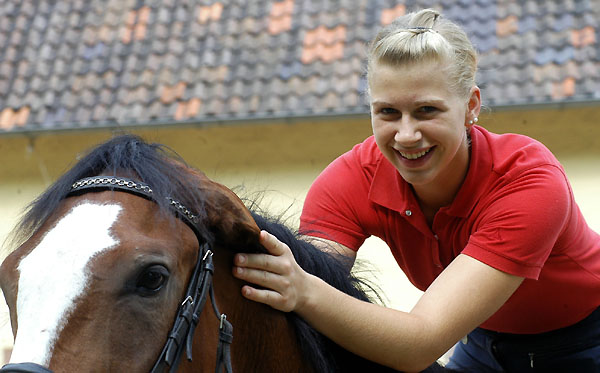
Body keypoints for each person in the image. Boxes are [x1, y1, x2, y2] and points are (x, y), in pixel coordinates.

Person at [232, 8, 600, 372]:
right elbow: (305, 281)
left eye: (426, 110)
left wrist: (305, 290)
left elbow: (418, 343)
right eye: (388, 112)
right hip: (482, 345)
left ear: (471, 106)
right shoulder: (348, 181)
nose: (406, 135)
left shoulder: (528, 180)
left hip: (586, 343)